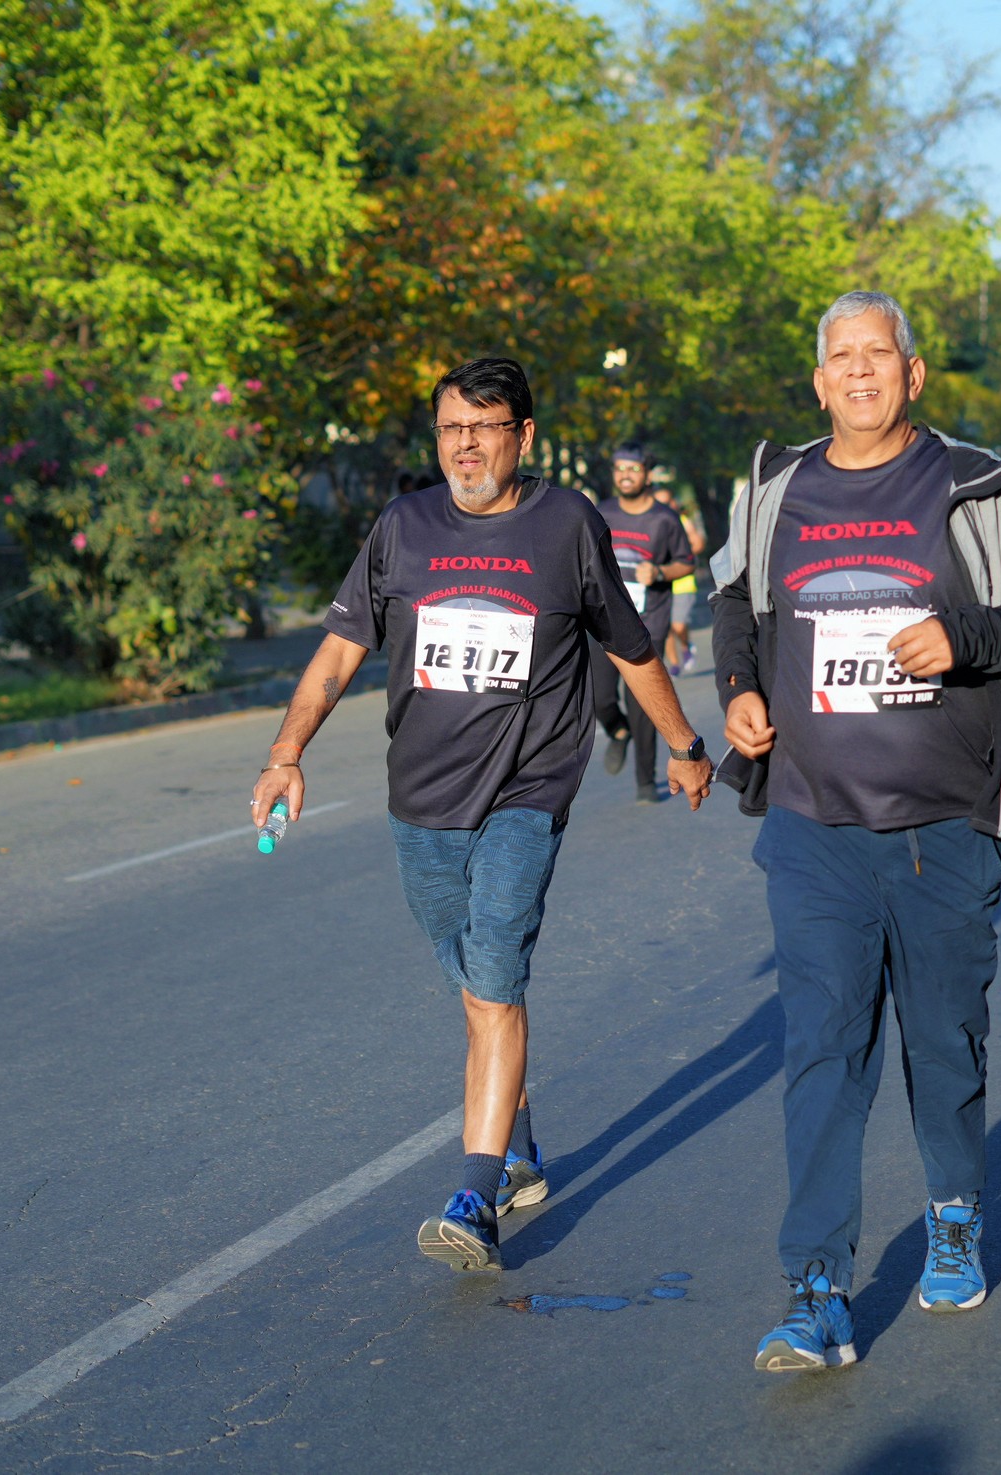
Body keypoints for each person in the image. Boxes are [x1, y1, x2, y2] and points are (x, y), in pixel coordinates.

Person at [248, 358, 715, 1273]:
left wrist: (685, 744)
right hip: (421, 800)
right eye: (451, 427)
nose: (465, 445)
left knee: (494, 975)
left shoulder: (566, 522)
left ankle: (476, 1193)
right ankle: (521, 1143)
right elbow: (339, 652)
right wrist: (285, 752)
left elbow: (629, 647)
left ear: (523, 435)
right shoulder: (403, 525)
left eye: (484, 426)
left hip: (525, 793)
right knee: (474, 981)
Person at [711, 290, 1001, 1372]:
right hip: (812, 822)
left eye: (879, 354)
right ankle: (815, 1288)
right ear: (819, 380)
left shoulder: (974, 483)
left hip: (944, 824)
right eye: (843, 357)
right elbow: (732, 602)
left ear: (912, 374)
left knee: (942, 1039)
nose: (861, 372)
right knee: (822, 1048)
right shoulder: (773, 487)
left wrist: (963, 637)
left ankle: (954, 1214)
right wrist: (738, 687)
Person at [590, 445, 696, 800]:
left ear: (647, 475)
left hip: (648, 622)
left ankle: (645, 782)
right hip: (603, 620)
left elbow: (687, 562)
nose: (625, 475)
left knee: (643, 705)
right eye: (619, 468)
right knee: (599, 696)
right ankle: (618, 731)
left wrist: (660, 572)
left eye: (633, 469)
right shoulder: (602, 512)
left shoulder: (665, 519)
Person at [656, 483, 709, 673]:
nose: (664, 505)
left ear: (674, 502)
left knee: (678, 625)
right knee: (666, 627)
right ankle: (674, 664)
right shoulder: (652, 522)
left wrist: (681, 555)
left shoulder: (683, 521)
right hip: (661, 581)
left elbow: (698, 545)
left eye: (667, 501)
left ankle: (686, 646)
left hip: (683, 581)